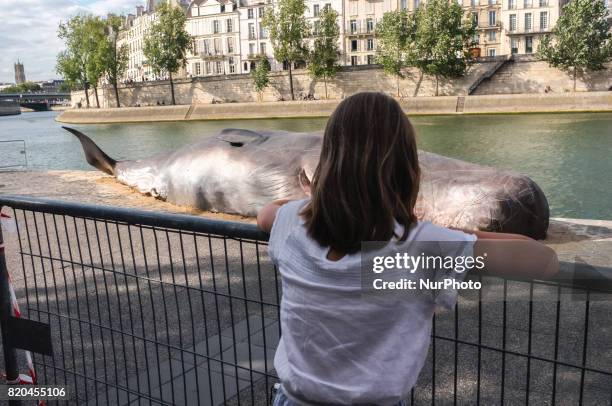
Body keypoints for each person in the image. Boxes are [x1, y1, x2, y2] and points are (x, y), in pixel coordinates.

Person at [257, 92, 558, 406]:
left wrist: (316, 200)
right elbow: (544, 260)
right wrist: (453, 235)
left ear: (329, 161)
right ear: (405, 167)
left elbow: (266, 213)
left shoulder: (290, 222)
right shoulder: (421, 245)